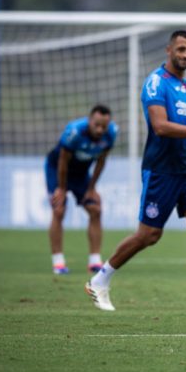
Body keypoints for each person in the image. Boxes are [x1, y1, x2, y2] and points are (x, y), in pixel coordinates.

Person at [84, 30, 186, 312]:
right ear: (168, 50)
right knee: (149, 235)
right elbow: (160, 126)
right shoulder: (156, 83)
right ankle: (99, 279)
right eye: (181, 49)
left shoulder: (182, 85)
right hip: (161, 169)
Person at [45, 104, 118, 275]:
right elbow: (62, 161)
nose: (100, 130)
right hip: (56, 170)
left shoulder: (112, 134)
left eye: (104, 126)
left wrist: (92, 188)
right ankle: (58, 262)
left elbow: (101, 161)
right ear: (90, 120)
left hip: (80, 174)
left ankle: (94, 261)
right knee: (59, 210)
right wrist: (61, 189)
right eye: (97, 125)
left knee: (95, 209)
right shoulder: (74, 132)